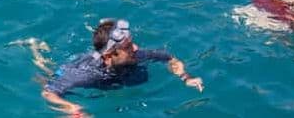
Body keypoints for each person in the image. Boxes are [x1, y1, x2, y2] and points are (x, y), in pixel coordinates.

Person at [40, 18, 203, 116]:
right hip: (73, 68)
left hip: (117, 78)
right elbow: (48, 92)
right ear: (109, 55)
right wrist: (72, 108)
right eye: (128, 47)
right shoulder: (86, 74)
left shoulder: (137, 56)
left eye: (132, 43)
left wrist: (185, 77)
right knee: (46, 75)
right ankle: (38, 52)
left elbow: (170, 58)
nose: (136, 48)